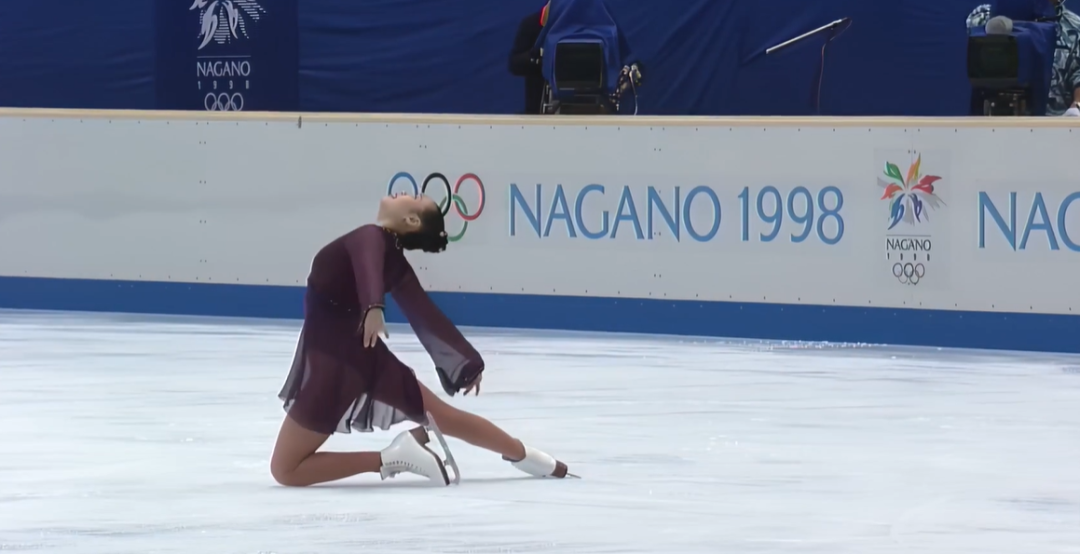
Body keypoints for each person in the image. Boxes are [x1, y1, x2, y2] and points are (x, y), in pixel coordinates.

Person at [271, 192, 570, 486]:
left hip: (336, 365)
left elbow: (369, 263)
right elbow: (425, 314)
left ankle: (391, 458)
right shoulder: (391, 257)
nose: (404, 192)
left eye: (413, 197)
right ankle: (533, 459)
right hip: (365, 357)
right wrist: (465, 363)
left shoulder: (372, 239)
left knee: (286, 469)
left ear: (411, 219)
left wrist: (374, 306)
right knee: (446, 417)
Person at [966, 0, 1080, 115]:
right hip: (989, 122)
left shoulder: (1075, 29)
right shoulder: (984, 18)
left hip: (1052, 124)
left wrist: (1076, 107)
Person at [508, 2, 550, 114]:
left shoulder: (590, 25)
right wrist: (542, 58)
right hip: (538, 112)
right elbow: (515, 64)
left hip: (585, 113)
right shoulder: (532, 24)